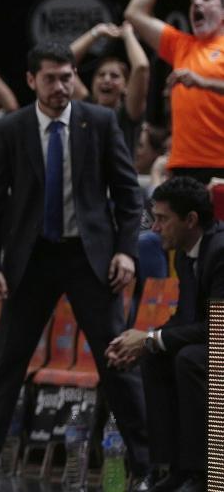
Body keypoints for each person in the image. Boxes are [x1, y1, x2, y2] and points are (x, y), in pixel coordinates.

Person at [0, 42, 151, 492]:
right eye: (50, 79)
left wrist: (126, 250)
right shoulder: (11, 128)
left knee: (116, 360)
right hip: (31, 259)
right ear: (30, 80)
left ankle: (145, 466)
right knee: (5, 365)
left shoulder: (99, 121)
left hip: (89, 257)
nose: (60, 87)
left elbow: (127, 194)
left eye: (66, 77)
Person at [106, 177, 221, 492]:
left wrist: (150, 338)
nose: (154, 228)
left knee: (189, 359)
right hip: (213, 342)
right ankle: (174, 469)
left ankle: (208, 474)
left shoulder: (221, 251)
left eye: (162, 219)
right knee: (156, 357)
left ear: (191, 220)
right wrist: (145, 340)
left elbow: (217, 327)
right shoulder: (186, 252)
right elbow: (186, 317)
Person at [125, 0, 224, 183]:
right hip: (183, 165)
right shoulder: (181, 45)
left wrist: (203, 82)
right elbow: (135, 13)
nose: (196, 3)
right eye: (193, 0)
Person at [69, 21, 150, 156]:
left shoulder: (129, 113)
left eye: (115, 76)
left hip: (118, 177)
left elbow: (141, 67)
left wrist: (128, 34)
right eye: (101, 75)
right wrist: (96, 33)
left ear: (126, 87)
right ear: (93, 82)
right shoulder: (86, 104)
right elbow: (64, 63)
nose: (107, 80)